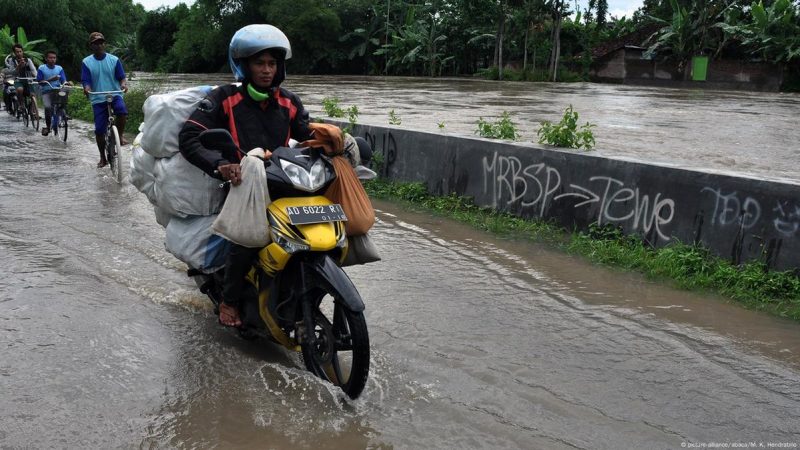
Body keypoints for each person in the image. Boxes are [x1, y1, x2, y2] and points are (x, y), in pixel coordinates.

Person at [179, 24, 316, 328]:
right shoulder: (223, 98)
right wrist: (221, 164)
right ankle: (229, 301)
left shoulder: (289, 102)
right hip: (240, 183)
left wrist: (335, 142)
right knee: (249, 237)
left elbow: (307, 138)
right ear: (243, 65)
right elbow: (189, 137)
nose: (267, 70)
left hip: (283, 181)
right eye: (259, 63)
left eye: (272, 64)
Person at [81, 31, 128, 168]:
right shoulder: (86, 62)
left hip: (115, 94)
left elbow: (122, 77)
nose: (99, 45)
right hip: (97, 97)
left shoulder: (114, 60)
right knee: (100, 130)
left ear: (104, 44)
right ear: (91, 46)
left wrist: (123, 84)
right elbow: (86, 80)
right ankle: (102, 157)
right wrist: (87, 88)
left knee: (121, 111)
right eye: (96, 43)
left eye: (101, 42)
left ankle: (119, 136)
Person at [36, 50, 67, 136]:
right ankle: (48, 127)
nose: (52, 59)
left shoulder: (59, 68)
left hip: (57, 90)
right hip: (46, 91)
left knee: (64, 99)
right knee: (48, 108)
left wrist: (66, 82)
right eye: (50, 58)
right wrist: (50, 79)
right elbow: (39, 81)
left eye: (54, 58)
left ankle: (63, 114)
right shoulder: (42, 68)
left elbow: (63, 80)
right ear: (46, 59)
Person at [6, 44, 39, 120]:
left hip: (28, 80)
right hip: (18, 80)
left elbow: (34, 70)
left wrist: (37, 78)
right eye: (17, 52)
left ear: (22, 51)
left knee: (33, 95)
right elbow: (11, 72)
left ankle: (33, 111)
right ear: (14, 53)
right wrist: (19, 66)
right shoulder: (12, 60)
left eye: (20, 51)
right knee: (20, 89)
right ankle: (21, 105)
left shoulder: (28, 60)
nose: (19, 53)